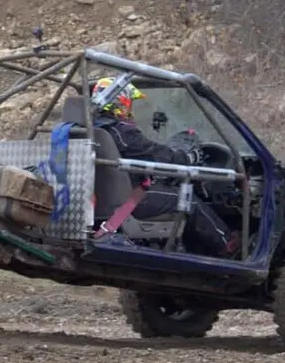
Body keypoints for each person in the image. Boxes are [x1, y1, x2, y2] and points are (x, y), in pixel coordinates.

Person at [90, 77, 240, 258]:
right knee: (189, 200)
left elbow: (144, 154)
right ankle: (228, 245)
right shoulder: (121, 131)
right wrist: (187, 157)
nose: (131, 109)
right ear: (121, 102)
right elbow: (156, 154)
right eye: (130, 103)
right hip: (132, 199)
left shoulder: (95, 129)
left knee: (169, 188)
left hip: (108, 196)